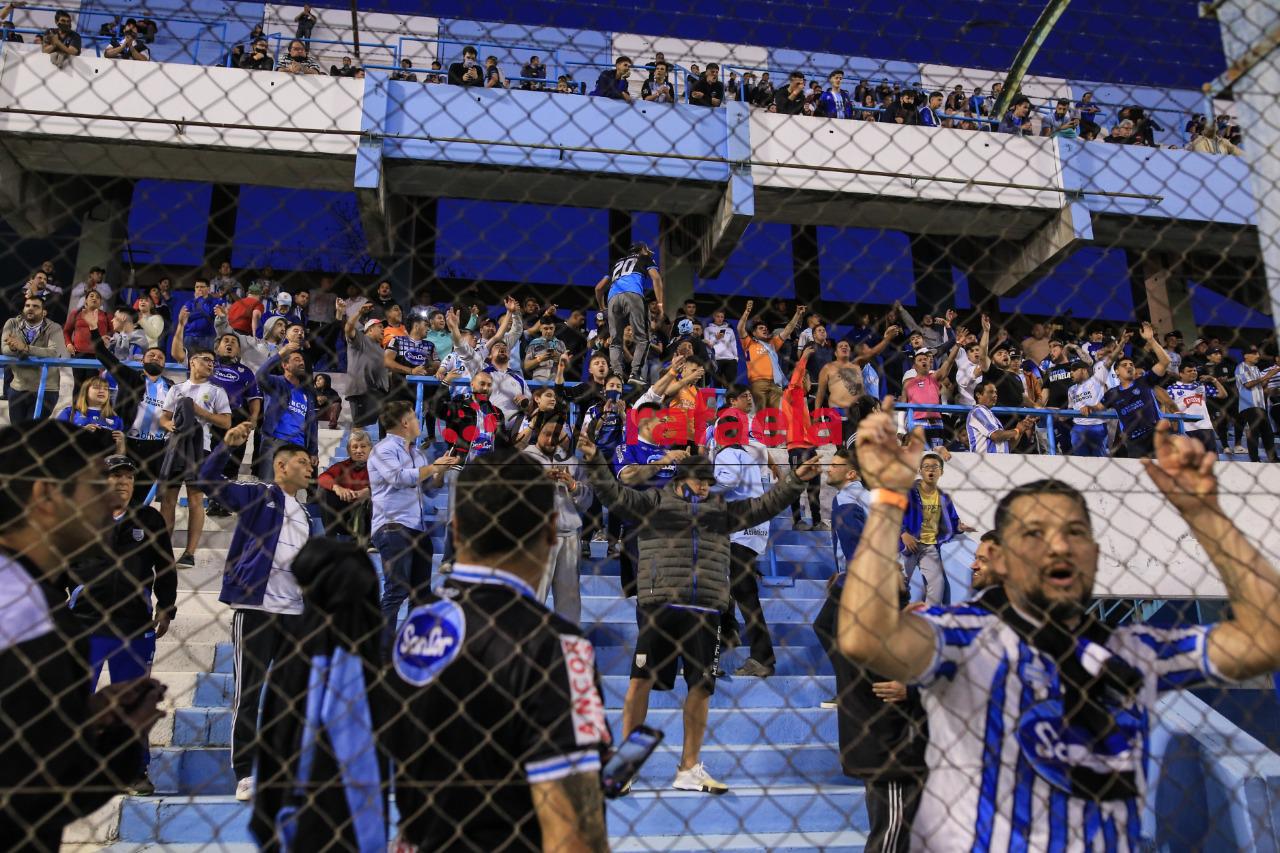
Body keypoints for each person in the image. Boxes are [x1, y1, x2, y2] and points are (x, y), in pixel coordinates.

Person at [839, 404, 1280, 850]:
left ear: (1095, 554)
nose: (1058, 547)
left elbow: (1265, 638)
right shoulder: (963, 634)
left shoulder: (1131, 649)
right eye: (1034, 534)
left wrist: (1206, 514)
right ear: (1002, 560)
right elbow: (864, 635)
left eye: (1075, 532)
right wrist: (890, 498)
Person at [387, 449, 610, 851]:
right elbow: (574, 834)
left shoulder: (415, 627)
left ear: (456, 531)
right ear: (550, 531)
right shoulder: (558, 645)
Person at [581, 437, 820, 794]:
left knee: (701, 687)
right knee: (640, 683)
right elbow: (613, 495)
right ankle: (626, 766)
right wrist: (595, 461)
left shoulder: (721, 510)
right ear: (680, 479)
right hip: (660, 606)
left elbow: (765, 505)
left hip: (706, 609)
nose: (705, 486)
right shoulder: (653, 502)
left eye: (709, 481)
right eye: (699, 480)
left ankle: (688, 768)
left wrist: (796, 479)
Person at [0, 421, 169, 850]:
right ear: (46, 497)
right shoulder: (17, 615)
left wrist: (111, 738)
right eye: (95, 485)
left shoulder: (43, 606)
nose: (110, 497)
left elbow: (40, 795)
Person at [198, 422, 312, 802]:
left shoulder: (307, 514)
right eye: (302, 462)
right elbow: (207, 482)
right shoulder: (258, 495)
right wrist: (225, 447)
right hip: (256, 608)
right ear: (281, 466)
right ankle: (245, 773)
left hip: (295, 614)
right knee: (249, 693)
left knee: (290, 696)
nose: (309, 467)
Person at [65, 455, 175, 796]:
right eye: (116, 476)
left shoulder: (149, 519)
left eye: (128, 477)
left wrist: (167, 605)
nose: (123, 482)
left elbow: (165, 565)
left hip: (134, 625)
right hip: (86, 626)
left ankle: (134, 771)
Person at [369, 401, 456, 656]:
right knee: (397, 590)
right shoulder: (383, 449)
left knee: (421, 594)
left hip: (416, 527)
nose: (419, 422)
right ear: (405, 423)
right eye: (415, 418)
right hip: (392, 526)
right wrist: (433, 467)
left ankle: (413, 647)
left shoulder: (418, 454)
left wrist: (440, 472)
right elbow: (398, 478)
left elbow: (430, 490)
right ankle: (382, 651)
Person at [710, 405, 778, 677]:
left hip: (740, 530)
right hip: (753, 529)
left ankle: (762, 657)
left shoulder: (726, 454)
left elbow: (727, 482)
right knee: (728, 583)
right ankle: (729, 631)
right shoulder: (746, 455)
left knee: (744, 593)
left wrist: (700, 490)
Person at [522, 416, 592, 623]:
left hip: (569, 535)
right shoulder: (524, 459)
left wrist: (573, 486)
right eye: (546, 434)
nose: (551, 440)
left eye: (556, 435)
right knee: (534, 596)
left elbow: (587, 501)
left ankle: (568, 639)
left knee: (569, 599)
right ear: (537, 432)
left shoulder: (573, 462)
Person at [93, 337, 171, 504]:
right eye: (151, 355)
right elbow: (103, 355)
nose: (156, 358)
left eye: (160, 357)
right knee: (118, 494)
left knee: (141, 498)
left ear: (164, 365)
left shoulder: (172, 388)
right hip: (128, 443)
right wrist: (94, 331)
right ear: (142, 361)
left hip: (156, 448)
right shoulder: (131, 377)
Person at [899, 451, 970, 605]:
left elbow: (953, 521)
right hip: (907, 545)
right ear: (920, 471)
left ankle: (930, 616)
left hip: (929, 547)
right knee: (899, 585)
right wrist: (903, 533)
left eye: (935, 467)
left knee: (937, 584)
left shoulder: (944, 497)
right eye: (926, 467)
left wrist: (960, 527)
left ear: (941, 472)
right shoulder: (907, 492)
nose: (930, 470)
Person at [1093, 323, 1172, 458]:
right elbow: (1098, 407)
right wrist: (1087, 407)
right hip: (1134, 442)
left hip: (1157, 434)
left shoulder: (1145, 381)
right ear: (1117, 371)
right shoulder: (1112, 393)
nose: (1129, 366)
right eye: (1124, 365)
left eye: (1131, 364)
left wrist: (1151, 340)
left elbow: (1165, 362)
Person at [596, 242, 664, 387]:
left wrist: (602, 307)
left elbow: (599, 288)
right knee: (643, 338)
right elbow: (656, 278)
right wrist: (660, 304)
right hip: (633, 294)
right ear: (643, 250)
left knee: (615, 340)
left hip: (613, 298)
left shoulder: (617, 263)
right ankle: (635, 373)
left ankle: (616, 374)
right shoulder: (644, 258)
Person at [254, 343, 318, 480]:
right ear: (285, 365)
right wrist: (279, 355)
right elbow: (259, 376)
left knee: (290, 488)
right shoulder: (276, 382)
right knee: (268, 485)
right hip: (275, 442)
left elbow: (312, 424)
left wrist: (313, 451)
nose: (301, 363)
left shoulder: (308, 393)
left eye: (302, 360)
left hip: (299, 447)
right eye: (296, 360)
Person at [3, 295, 68, 421]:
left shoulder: (54, 327)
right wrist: (14, 348)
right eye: (27, 306)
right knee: (17, 429)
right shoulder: (12, 323)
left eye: (35, 306)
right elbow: (5, 350)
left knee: (33, 429)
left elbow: (54, 353)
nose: (30, 308)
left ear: (44, 312)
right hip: (18, 387)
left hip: (46, 390)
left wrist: (25, 348)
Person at [739, 298, 805, 415]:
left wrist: (797, 314)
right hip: (758, 383)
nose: (764, 329)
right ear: (753, 333)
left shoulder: (773, 343)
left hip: (775, 385)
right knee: (760, 415)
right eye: (761, 328)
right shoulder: (749, 343)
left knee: (778, 416)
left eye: (765, 328)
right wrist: (747, 312)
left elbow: (788, 329)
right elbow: (740, 328)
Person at [317, 428, 372, 542]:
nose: (359, 450)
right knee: (324, 491)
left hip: (368, 514)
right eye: (354, 447)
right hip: (345, 515)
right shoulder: (341, 466)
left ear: (370, 449)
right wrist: (337, 488)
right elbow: (322, 478)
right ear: (348, 450)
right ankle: (330, 539)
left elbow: (387, 484)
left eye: (363, 446)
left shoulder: (378, 466)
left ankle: (370, 541)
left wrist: (369, 491)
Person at [1166, 360, 1227, 452]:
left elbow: (1223, 395)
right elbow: (1167, 407)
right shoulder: (1172, 389)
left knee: (1211, 458)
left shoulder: (1201, 386)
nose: (1193, 372)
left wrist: (1213, 380)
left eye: (1194, 370)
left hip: (1205, 427)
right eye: (1189, 371)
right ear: (1181, 374)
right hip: (1186, 428)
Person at [56, 375, 126, 454]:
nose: (102, 391)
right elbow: (56, 438)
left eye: (106, 389)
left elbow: (120, 455)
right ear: (85, 391)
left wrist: (121, 443)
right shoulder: (70, 412)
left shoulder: (116, 418)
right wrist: (81, 432)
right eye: (97, 387)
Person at [1234, 345, 1279, 462]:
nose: (1258, 356)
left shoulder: (1255, 369)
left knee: (1268, 433)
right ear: (1246, 356)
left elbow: (1261, 385)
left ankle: (1273, 458)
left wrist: (1268, 378)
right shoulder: (1242, 367)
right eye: (1254, 354)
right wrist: (1268, 375)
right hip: (1249, 405)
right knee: (1254, 432)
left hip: (1260, 405)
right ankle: (1254, 459)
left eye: (1258, 354)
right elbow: (1248, 384)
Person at [967, 380, 1035, 454]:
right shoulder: (977, 411)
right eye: (990, 392)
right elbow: (996, 436)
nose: (995, 395)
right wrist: (1017, 430)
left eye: (996, 392)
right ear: (978, 395)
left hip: (999, 459)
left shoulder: (992, 417)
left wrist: (1021, 430)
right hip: (985, 459)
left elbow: (1009, 447)